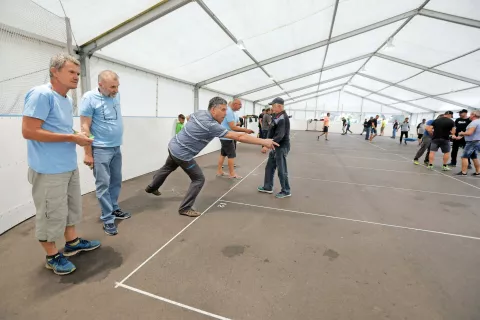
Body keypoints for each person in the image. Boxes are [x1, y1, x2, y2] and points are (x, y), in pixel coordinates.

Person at [22, 53, 100, 275]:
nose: (76, 76)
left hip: (67, 166)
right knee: (50, 214)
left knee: (70, 209)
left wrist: (78, 135)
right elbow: (29, 131)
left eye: (77, 72)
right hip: (48, 170)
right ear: (54, 72)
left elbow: (58, 130)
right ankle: (52, 256)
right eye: (71, 72)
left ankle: (72, 243)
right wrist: (71, 138)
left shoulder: (65, 100)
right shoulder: (41, 95)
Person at [145, 97, 278, 217]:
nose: (225, 113)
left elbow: (188, 117)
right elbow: (238, 136)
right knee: (198, 179)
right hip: (183, 154)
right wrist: (263, 141)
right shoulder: (210, 125)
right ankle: (185, 208)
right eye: (223, 110)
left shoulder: (200, 113)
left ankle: (152, 187)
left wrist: (193, 130)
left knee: (168, 167)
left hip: (173, 146)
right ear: (213, 110)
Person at [80, 70, 130, 236]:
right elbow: (85, 126)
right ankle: (107, 219)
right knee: (103, 184)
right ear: (100, 85)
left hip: (116, 147)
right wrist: (88, 153)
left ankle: (114, 208)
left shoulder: (116, 95)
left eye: (117, 86)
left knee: (116, 181)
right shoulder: (89, 98)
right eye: (112, 87)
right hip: (100, 149)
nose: (115, 90)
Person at [258, 97, 291, 198]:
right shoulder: (276, 116)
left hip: (281, 147)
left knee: (282, 170)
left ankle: (286, 191)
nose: (271, 107)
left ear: (279, 106)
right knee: (269, 167)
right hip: (275, 146)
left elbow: (280, 135)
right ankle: (268, 186)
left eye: (273, 106)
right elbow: (271, 131)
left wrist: (267, 146)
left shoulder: (283, 118)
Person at [216, 99, 254, 179]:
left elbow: (234, 124)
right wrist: (246, 130)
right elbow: (233, 127)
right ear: (235, 104)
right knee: (231, 155)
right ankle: (232, 173)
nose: (240, 108)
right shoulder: (229, 112)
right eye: (240, 106)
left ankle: (219, 171)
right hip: (227, 137)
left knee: (223, 154)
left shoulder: (231, 112)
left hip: (226, 136)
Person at [456, 110, 480, 176]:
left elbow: (469, 133)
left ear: (473, 115)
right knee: (474, 157)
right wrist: (461, 136)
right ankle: (478, 172)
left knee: (464, 157)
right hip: (476, 141)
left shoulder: (474, 123)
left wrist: (461, 133)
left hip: (472, 142)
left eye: (471, 114)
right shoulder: (478, 122)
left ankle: (463, 172)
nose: (469, 116)